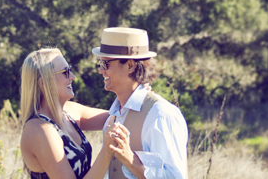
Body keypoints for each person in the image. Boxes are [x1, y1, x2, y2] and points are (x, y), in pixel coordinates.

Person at [92, 27, 188, 179]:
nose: (100, 70)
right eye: (100, 62)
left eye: (105, 63)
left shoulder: (160, 114)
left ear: (130, 65)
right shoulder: (113, 116)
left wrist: (130, 160)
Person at [20, 47, 127, 179]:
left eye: (70, 70)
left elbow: (119, 117)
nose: (72, 77)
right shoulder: (40, 130)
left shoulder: (69, 111)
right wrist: (106, 151)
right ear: (44, 83)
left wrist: (136, 89)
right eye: (65, 72)